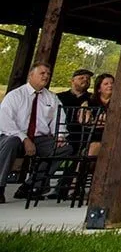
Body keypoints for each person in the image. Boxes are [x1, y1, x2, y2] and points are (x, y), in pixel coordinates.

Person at [0, 63, 69, 203]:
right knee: (11, 143)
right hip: (13, 135)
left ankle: (32, 185)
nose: (46, 76)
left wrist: (60, 136)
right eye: (42, 73)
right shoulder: (15, 95)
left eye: (48, 74)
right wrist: (24, 139)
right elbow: (5, 122)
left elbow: (59, 120)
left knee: (65, 148)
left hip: (39, 139)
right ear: (31, 75)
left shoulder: (51, 98)